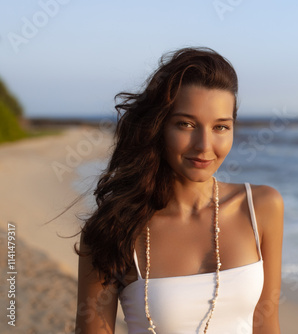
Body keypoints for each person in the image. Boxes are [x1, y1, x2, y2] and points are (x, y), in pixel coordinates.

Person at [75, 47, 284, 334]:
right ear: (158, 126)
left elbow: (267, 323)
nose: (204, 145)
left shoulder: (261, 207)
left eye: (220, 127)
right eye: (186, 124)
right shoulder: (115, 228)